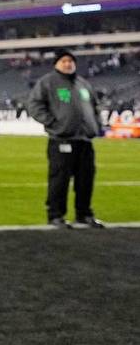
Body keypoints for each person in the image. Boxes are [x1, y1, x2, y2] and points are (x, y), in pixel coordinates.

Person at [28, 49, 106, 229]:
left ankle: (84, 214)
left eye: (70, 61)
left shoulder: (83, 83)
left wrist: (96, 123)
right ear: (56, 64)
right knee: (60, 179)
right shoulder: (48, 82)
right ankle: (55, 215)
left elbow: (95, 106)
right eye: (63, 61)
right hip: (61, 139)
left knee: (86, 179)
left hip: (84, 140)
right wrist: (53, 123)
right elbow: (34, 104)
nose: (67, 63)